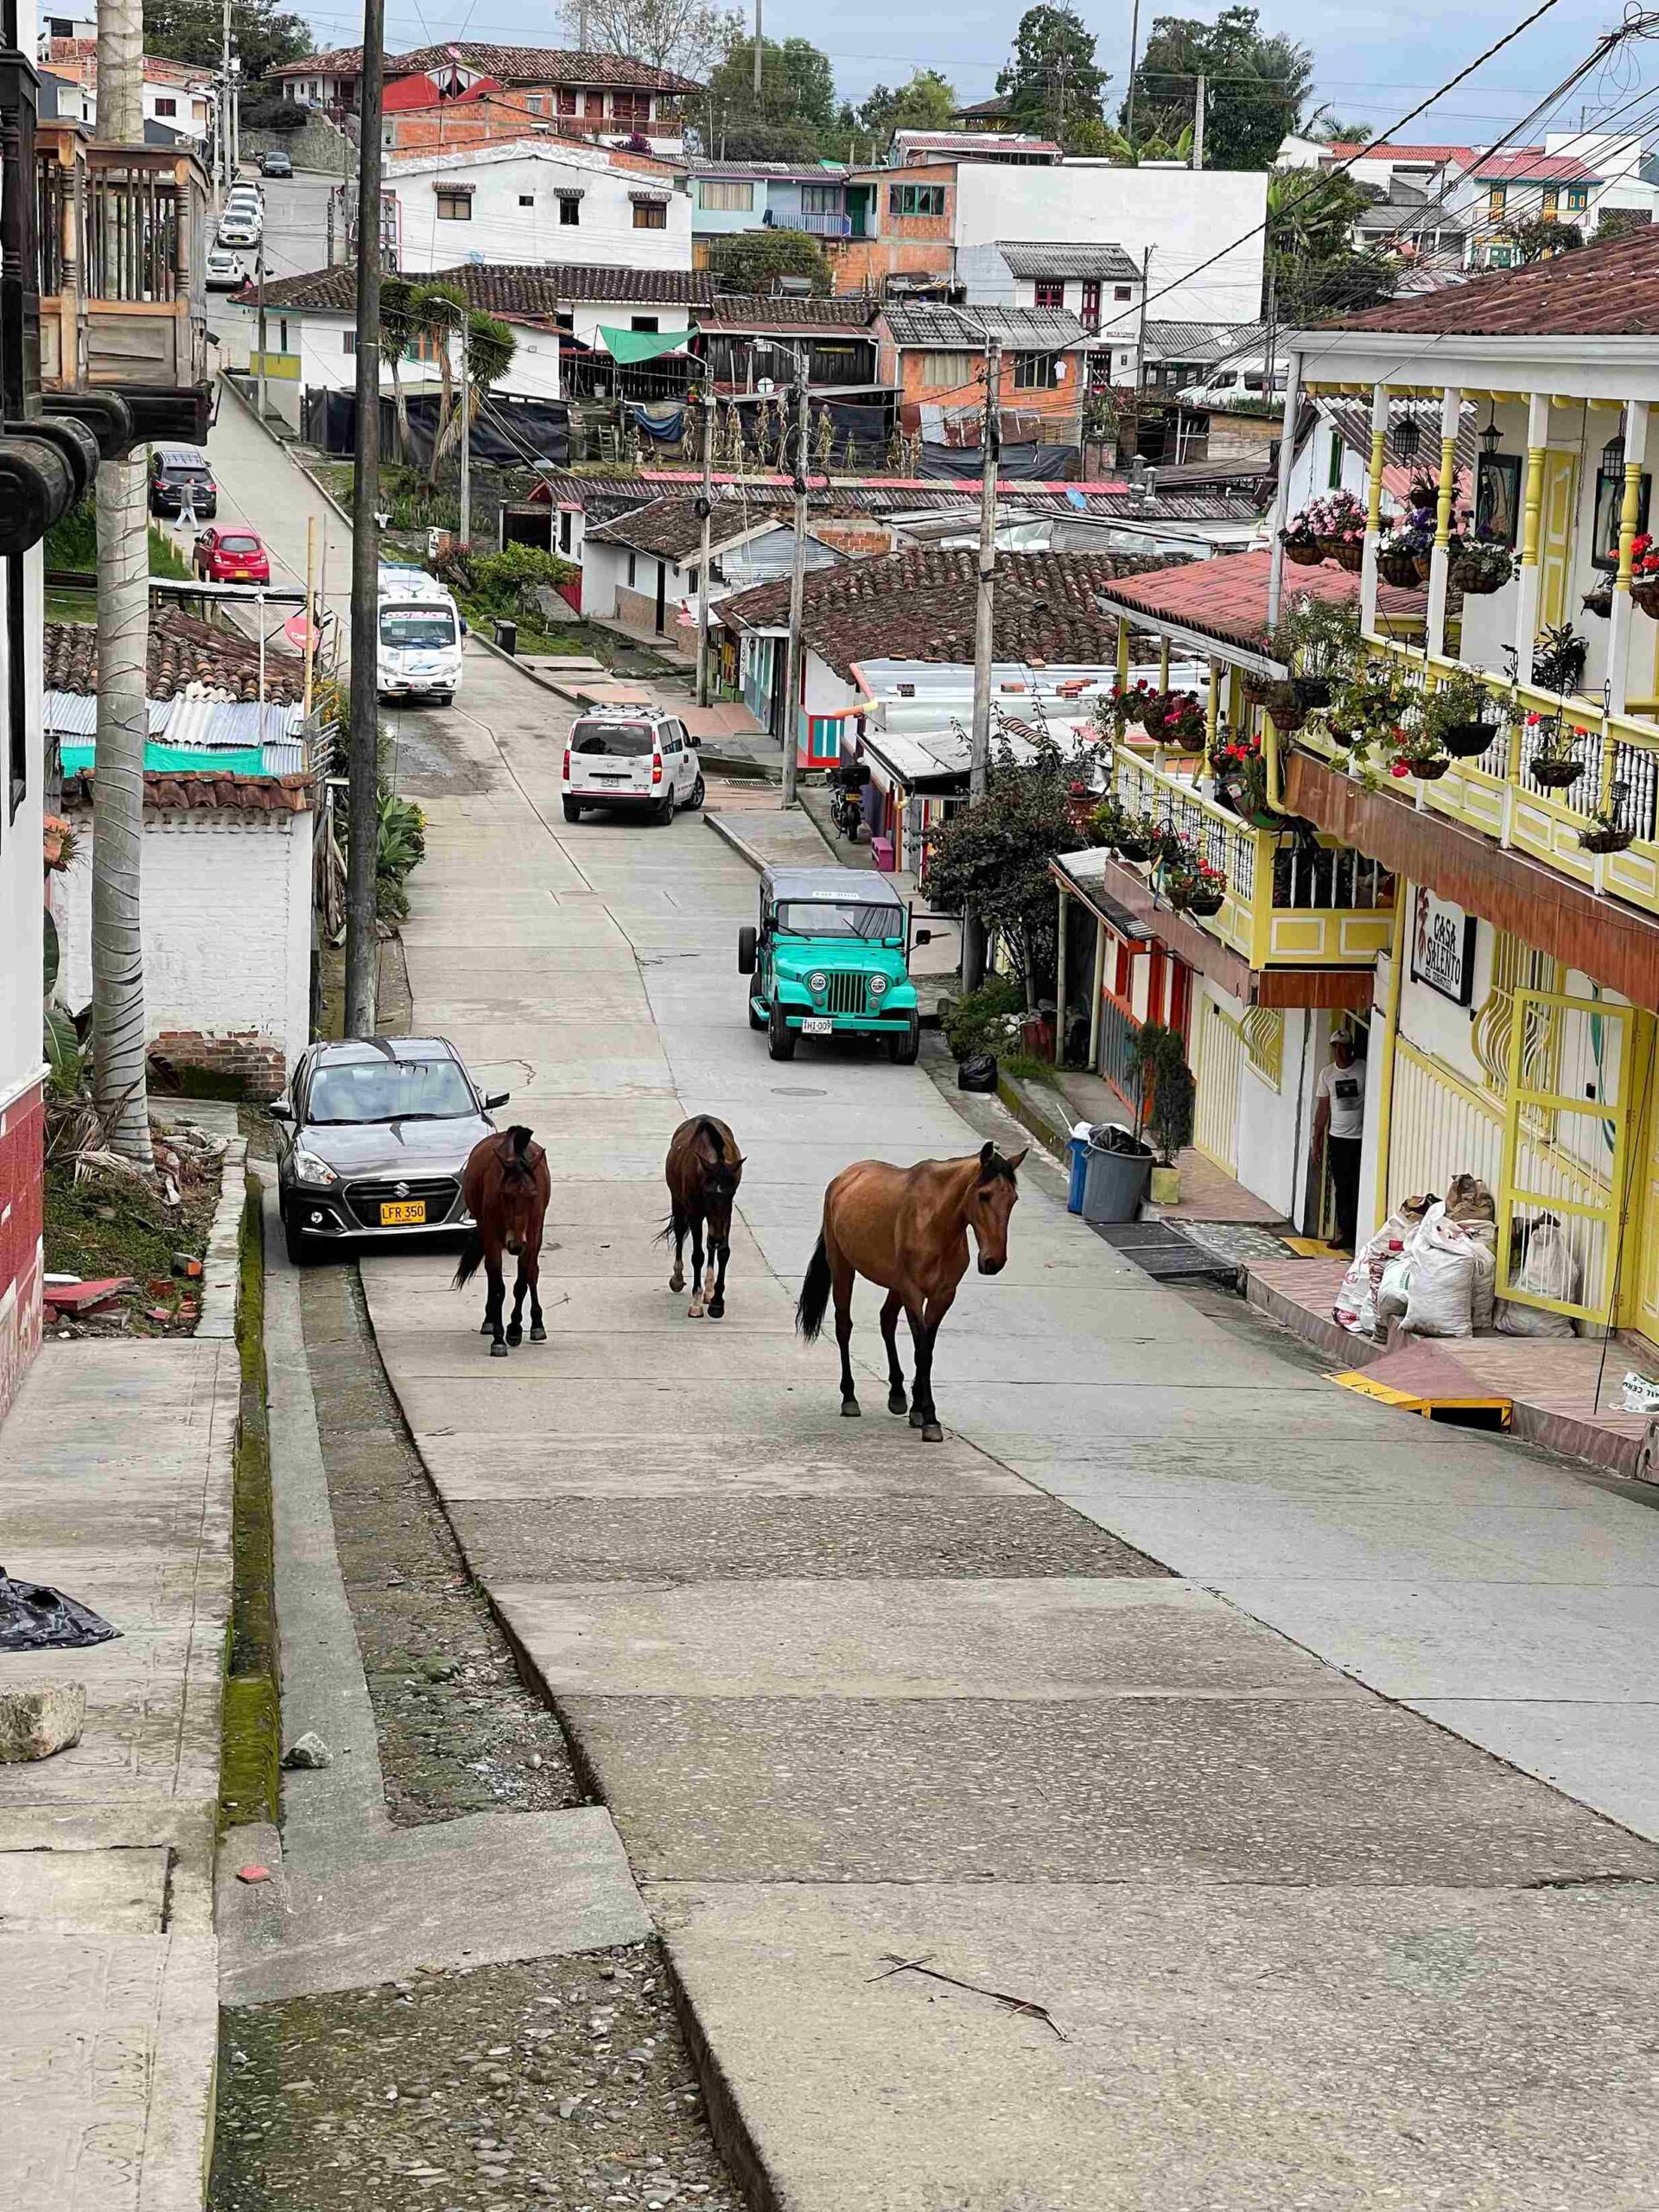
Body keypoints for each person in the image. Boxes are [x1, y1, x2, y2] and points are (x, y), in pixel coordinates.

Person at [1314, 1032, 1366, 1252]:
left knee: (1358, 1186)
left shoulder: (1364, 1068)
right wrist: (1315, 1142)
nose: (1340, 1051)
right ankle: (1345, 1232)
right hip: (1338, 1139)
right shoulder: (1327, 1074)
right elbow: (1323, 1110)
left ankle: (1360, 1230)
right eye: (1336, 1047)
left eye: (1343, 1047)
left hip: (1362, 1138)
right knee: (1342, 1189)